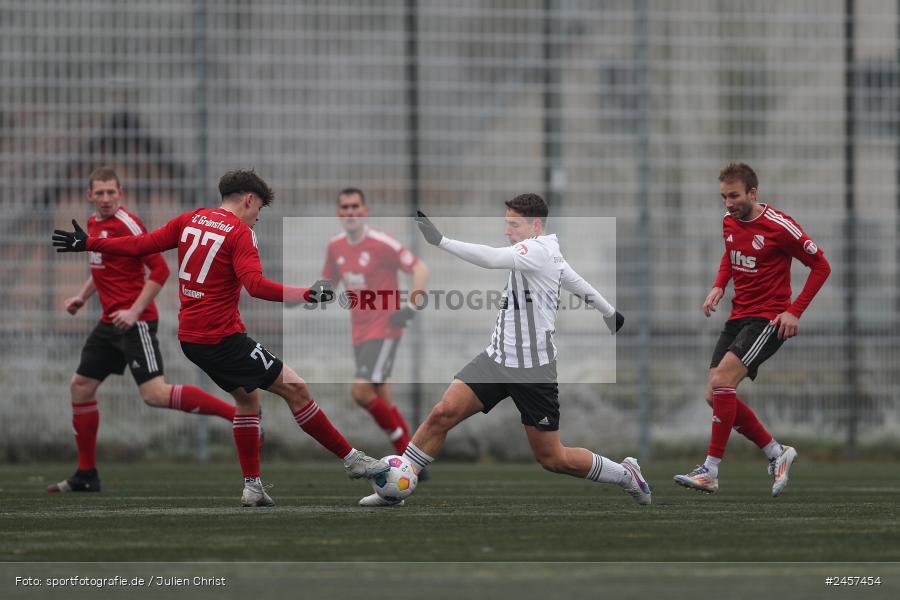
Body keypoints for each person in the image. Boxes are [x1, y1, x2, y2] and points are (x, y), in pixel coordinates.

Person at [53, 170, 389, 507]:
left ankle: (253, 486)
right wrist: (308, 294)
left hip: (192, 339)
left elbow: (141, 245)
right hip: (222, 338)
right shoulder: (241, 233)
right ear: (248, 199)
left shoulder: (191, 219)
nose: (258, 216)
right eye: (259, 208)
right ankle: (352, 459)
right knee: (295, 388)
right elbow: (256, 286)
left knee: (247, 400)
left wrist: (89, 242)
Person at [358, 193, 651, 507]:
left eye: (514, 225)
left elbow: (490, 259)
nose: (507, 232)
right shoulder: (550, 251)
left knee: (553, 458)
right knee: (443, 414)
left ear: (535, 225)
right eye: (506, 224)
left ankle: (625, 474)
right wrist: (609, 313)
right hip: (495, 360)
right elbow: (577, 282)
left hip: (533, 371)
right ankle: (396, 486)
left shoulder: (536, 250)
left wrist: (442, 241)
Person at [49, 167, 239, 494]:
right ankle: (86, 474)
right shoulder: (92, 225)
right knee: (80, 387)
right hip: (109, 322)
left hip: (135, 322)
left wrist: (134, 310)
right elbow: (103, 267)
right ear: (89, 196)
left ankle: (238, 414)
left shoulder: (128, 223)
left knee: (154, 395)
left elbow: (160, 270)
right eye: (100, 193)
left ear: (120, 194)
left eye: (112, 192)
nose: (106, 198)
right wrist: (81, 297)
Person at [673, 162, 831, 497]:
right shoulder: (728, 220)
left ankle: (710, 470)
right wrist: (718, 286)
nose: (728, 203)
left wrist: (793, 312)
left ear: (752, 192)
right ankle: (776, 454)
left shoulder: (779, 226)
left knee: (720, 383)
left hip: (768, 319)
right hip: (738, 316)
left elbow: (821, 266)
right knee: (712, 395)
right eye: (723, 196)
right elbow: (730, 255)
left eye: (734, 195)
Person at [321, 188, 429, 464]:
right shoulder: (335, 247)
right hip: (360, 331)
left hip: (385, 328)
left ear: (365, 211)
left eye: (355, 206)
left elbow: (419, 268)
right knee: (384, 399)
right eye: (344, 207)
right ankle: (412, 459)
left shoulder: (382, 243)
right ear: (338, 213)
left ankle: (407, 456)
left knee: (361, 391)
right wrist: (301, 294)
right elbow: (329, 284)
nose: (350, 212)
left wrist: (411, 307)